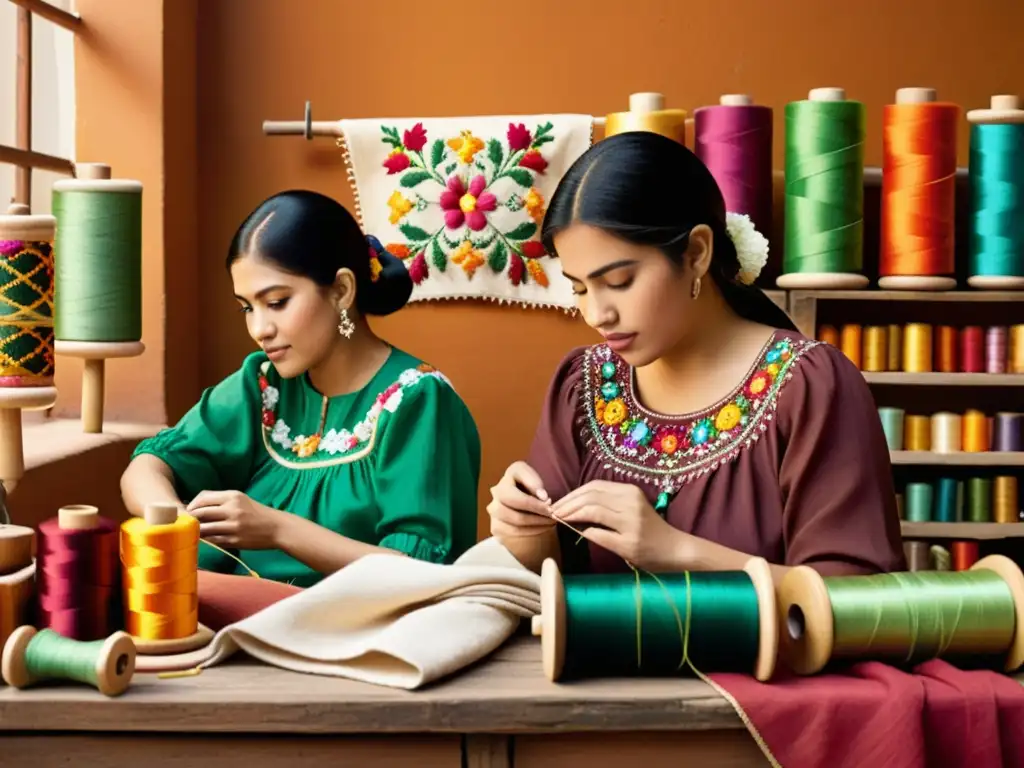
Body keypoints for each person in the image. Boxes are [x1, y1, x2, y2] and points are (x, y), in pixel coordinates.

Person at [487, 132, 905, 582]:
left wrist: (678, 550)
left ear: (697, 253)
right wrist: (524, 531)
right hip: (596, 655)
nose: (596, 314)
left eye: (621, 280)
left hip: (766, 656)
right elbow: (556, 582)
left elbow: (857, 599)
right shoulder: (583, 384)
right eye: (580, 288)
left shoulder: (809, 386)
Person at [121, 190, 481, 587]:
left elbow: (419, 575)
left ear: (342, 290)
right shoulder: (262, 385)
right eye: (247, 307)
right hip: (234, 622)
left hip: (357, 637)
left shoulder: (417, 401)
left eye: (276, 302)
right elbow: (147, 467)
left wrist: (277, 530)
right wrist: (177, 520)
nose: (260, 330)